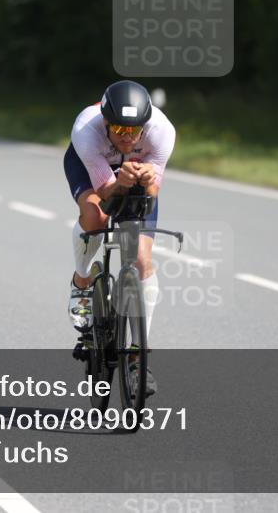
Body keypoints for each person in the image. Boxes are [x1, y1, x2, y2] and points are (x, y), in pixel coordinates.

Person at [63, 80, 176, 395]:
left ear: (145, 126)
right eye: (119, 131)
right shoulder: (87, 130)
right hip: (93, 169)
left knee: (141, 259)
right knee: (96, 218)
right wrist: (119, 183)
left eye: (134, 132)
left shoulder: (162, 132)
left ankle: (138, 357)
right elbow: (106, 196)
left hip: (133, 175)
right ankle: (82, 282)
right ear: (105, 122)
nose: (127, 138)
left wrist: (145, 182)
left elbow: (151, 196)